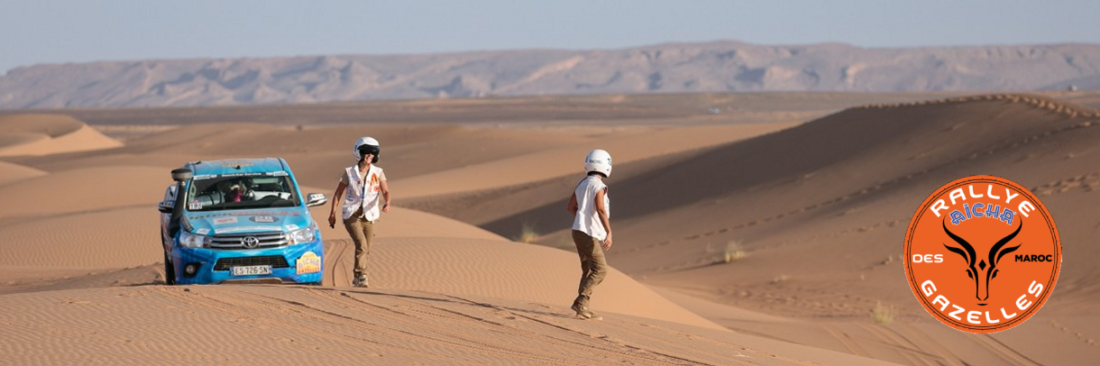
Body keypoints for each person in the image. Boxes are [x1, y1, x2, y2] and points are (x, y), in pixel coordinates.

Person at [329, 136, 391, 288]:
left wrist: (387, 203)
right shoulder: (349, 172)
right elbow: (338, 194)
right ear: (359, 152)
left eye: (372, 153)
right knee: (362, 245)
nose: (370, 155)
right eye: (366, 152)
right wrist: (332, 214)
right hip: (352, 214)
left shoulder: (378, 172)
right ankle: (362, 275)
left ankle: (357, 277)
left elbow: (386, 190)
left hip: (371, 214)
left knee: (366, 248)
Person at [565, 149, 613, 319]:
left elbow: (571, 207)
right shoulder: (599, 186)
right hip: (588, 233)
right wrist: (609, 231)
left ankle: (582, 308)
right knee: (600, 270)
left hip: (577, 231)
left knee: (587, 269)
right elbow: (600, 209)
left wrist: (581, 218)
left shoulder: (582, 182)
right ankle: (581, 302)